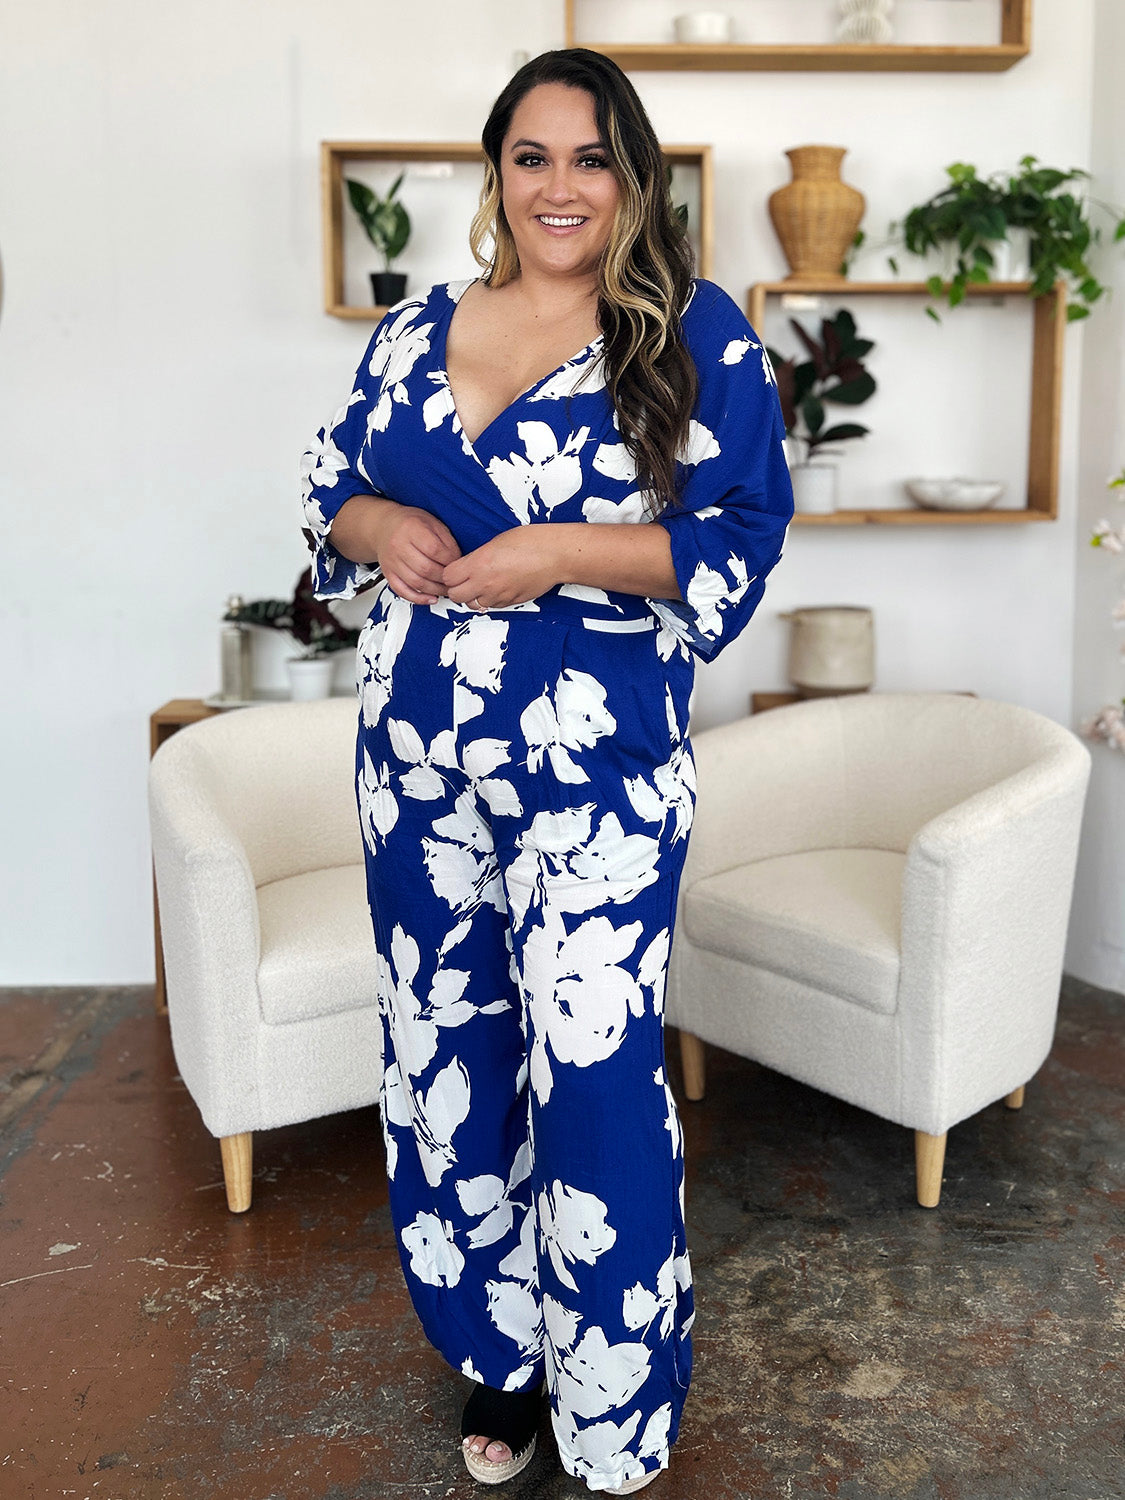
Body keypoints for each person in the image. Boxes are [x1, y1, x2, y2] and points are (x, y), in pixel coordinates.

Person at [300, 47, 793, 1495]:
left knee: (590, 1072)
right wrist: (376, 526)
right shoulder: (412, 331)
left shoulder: (692, 335)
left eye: (590, 159)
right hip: (413, 764)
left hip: (599, 780)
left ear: (631, 178)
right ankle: (500, 1357)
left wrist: (559, 552)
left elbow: (740, 534)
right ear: (497, 172)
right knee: (442, 1055)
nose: (559, 188)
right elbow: (329, 489)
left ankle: (615, 1394)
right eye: (531, 157)